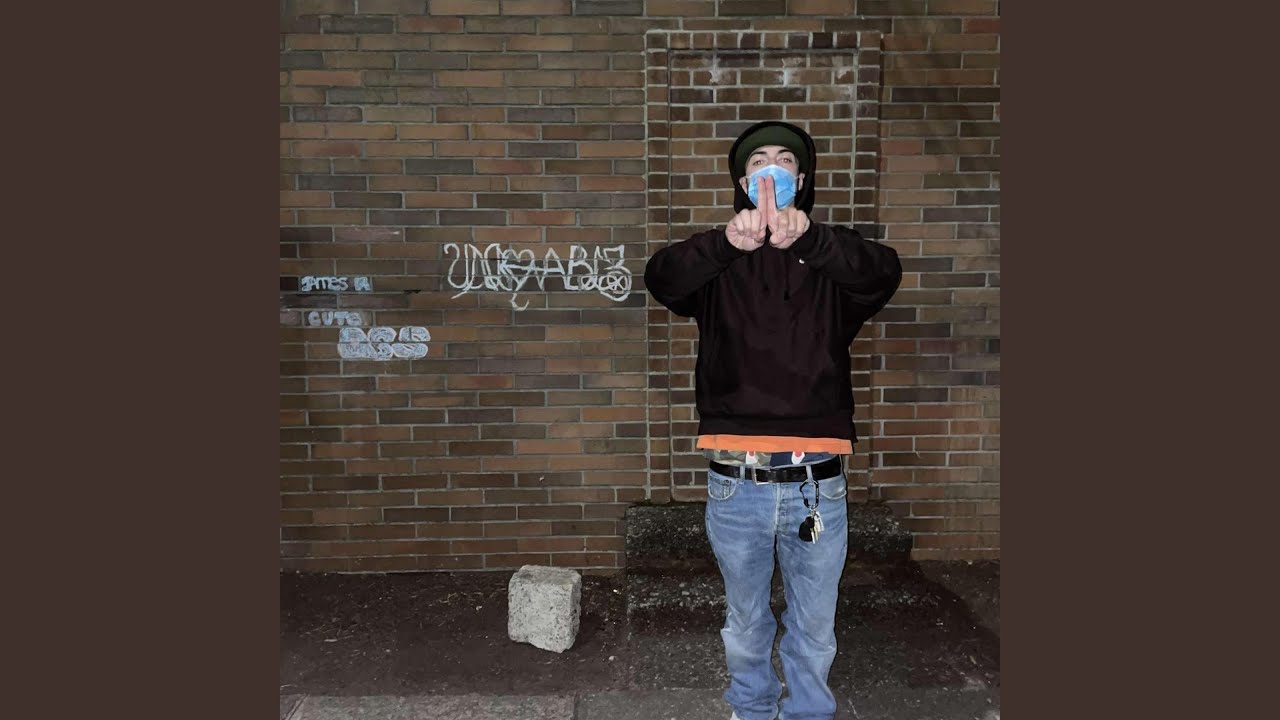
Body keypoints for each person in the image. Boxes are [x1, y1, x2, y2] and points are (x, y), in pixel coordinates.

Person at [643, 120, 903, 720]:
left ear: (801, 179)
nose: (771, 168)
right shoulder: (718, 262)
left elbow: (883, 272)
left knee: (815, 623)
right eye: (758, 160)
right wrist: (725, 244)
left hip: (817, 478)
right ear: (742, 182)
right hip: (737, 479)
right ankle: (752, 709)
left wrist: (811, 239)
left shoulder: (830, 258)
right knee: (746, 618)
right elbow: (662, 278)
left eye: (785, 160)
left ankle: (809, 713)